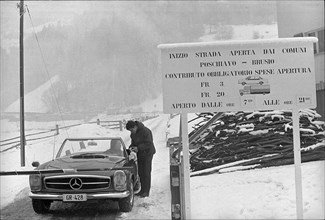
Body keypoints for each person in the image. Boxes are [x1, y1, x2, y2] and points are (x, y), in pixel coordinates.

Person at [126, 120, 156, 198]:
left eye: (132, 130)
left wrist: (138, 148)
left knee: (146, 172)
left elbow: (149, 143)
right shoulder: (133, 133)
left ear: (135, 127)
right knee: (140, 172)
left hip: (148, 153)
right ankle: (142, 190)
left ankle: (146, 191)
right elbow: (134, 142)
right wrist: (131, 147)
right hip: (140, 154)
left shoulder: (146, 131)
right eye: (130, 131)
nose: (131, 132)